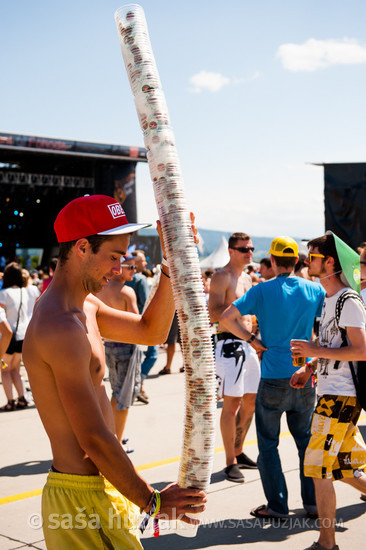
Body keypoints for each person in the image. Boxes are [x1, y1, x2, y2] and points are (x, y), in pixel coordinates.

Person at [23, 195, 206, 549]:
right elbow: (91, 437)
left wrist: (170, 262)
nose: (119, 269)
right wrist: (153, 501)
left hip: (103, 485)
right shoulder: (58, 325)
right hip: (79, 497)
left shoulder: (86, 305)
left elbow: (151, 332)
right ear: (81, 247)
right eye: (113, 256)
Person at [221, 236, 325, 518]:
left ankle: (277, 506)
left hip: (272, 377)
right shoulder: (314, 290)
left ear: (274, 260)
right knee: (305, 441)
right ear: (298, 261)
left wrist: (252, 338)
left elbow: (226, 317)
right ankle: (314, 503)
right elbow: (328, 325)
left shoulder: (262, 290)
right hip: (304, 375)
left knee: (268, 444)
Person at [290, 232, 366, 550]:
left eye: (313, 257)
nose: (308, 262)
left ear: (330, 262)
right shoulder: (329, 298)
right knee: (342, 466)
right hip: (331, 393)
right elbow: (334, 344)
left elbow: (361, 350)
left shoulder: (348, 300)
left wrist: (312, 350)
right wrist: (309, 366)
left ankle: (326, 542)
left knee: (318, 467)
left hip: (340, 396)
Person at [208, 232, 260, 483]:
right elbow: (214, 313)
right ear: (231, 251)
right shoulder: (221, 276)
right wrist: (239, 318)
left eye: (250, 248)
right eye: (243, 249)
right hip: (230, 345)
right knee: (232, 405)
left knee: (250, 401)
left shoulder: (248, 277)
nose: (249, 252)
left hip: (248, 345)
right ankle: (230, 461)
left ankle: (238, 452)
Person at [97, 255, 141, 451]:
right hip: (125, 345)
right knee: (124, 398)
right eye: (130, 267)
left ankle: (114, 435)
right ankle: (116, 443)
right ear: (119, 268)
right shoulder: (127, 291)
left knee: (116, 393)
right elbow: (136, 321)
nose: (134, 270)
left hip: (108, 345)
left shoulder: (101, 288)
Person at [126, 249, 158, 402]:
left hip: (124, 324)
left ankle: (138, 385)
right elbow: (147, 303)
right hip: (141, 322)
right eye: (143, 260)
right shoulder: (140, 279)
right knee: (152, 354)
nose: (145, 263)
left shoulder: (120, 279)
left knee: (134, 357)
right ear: (136, 263)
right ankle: (139, 383)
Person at [0, 262, 30, 411]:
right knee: (15, 370)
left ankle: (10, 401)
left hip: (8, 338)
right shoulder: (25, 291)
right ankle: (22, 398)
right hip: (23, 336)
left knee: (5, 370)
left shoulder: (3, 294)